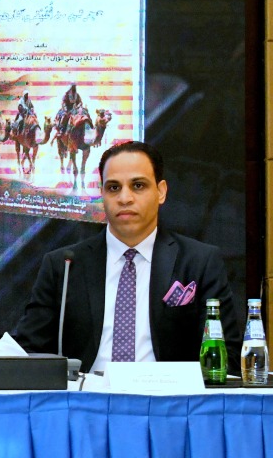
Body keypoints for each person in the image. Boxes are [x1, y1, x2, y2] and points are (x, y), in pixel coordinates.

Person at [14, 141, 241, 372]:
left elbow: (227, 357)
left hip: (167, 400)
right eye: (113, 188)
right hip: (87, 401)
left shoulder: (199, 262)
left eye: (138, 185)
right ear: (101, 194)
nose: (125, 198)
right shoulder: (63, 266)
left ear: (161, 191)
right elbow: (28, 352)